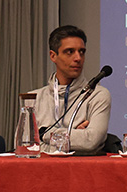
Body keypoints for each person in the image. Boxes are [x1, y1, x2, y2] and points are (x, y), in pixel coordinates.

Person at [32, 25, 111, 154]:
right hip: (40, 171)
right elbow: (25, 146)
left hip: (80, 171)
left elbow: (91, 141)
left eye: (81, 51)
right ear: (53, 56)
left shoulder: (98, 95)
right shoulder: (33, 98)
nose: (78, 58)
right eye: (70, 52)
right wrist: (75, 138)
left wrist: (43, 133)